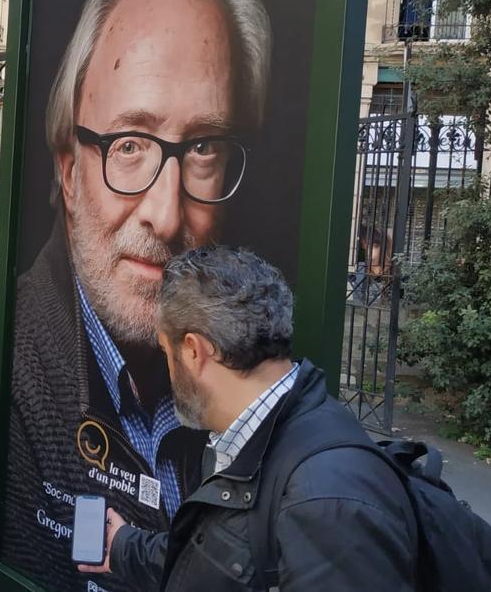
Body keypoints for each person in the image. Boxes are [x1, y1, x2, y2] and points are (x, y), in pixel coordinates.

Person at [3, 0, 272, 590]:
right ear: (69, 173)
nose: (165, 212)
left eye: (203, 147)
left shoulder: (260, 393)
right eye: (129, 145)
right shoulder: (19, 379)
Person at [91, 246, 416, 590]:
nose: (167, 368)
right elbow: (216, 553)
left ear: (192, 350)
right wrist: (125, 547)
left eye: (166, 352)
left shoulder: (326, 500)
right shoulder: (265, 434)